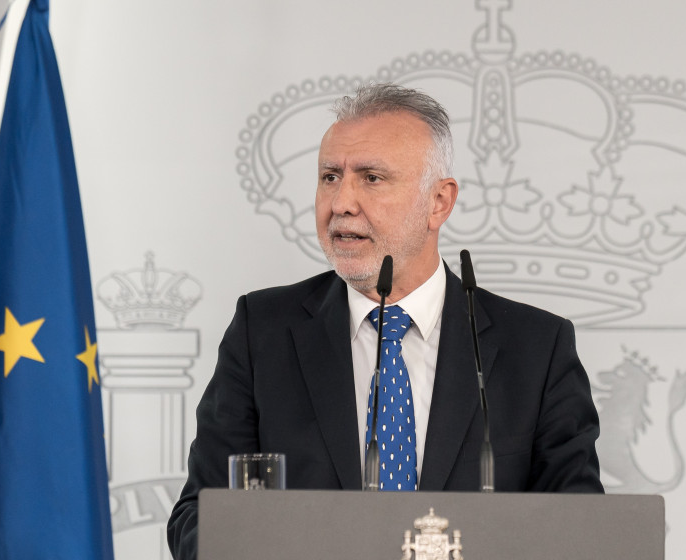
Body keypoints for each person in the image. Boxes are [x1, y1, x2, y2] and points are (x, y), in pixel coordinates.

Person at [167, 83, 603, 559]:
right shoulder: (262, 333)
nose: (341, 203)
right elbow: (198, 519)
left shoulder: (536, 348)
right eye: (330, 177)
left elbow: (580, 529)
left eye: (371, 178)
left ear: (439, 202)